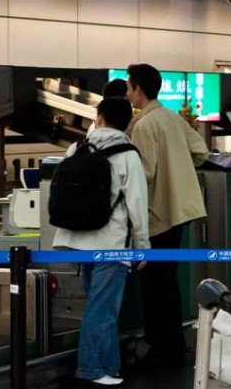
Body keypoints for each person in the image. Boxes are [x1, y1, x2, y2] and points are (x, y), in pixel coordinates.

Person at [54, 98, 150, 387]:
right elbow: (137, 203)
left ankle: (109, 368)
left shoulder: (77, 148)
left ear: (99, 118)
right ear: (127, 123)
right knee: (103, 310)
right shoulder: (128, 154)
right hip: (111, 243)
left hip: (77, 240)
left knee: (101, 307)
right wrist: (142, 246)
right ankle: (91, 369)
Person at [126, 63, 208, 367]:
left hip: (158, 213)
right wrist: (179, 168)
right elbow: (200, 151)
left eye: (129, 87)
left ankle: (160, 348)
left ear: (139, 89)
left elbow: (145, 173)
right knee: (168, 281)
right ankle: (174, 344)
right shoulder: (172, 117)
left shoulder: (144, 125)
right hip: (180, 210)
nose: (127, 93)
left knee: (154, 285)